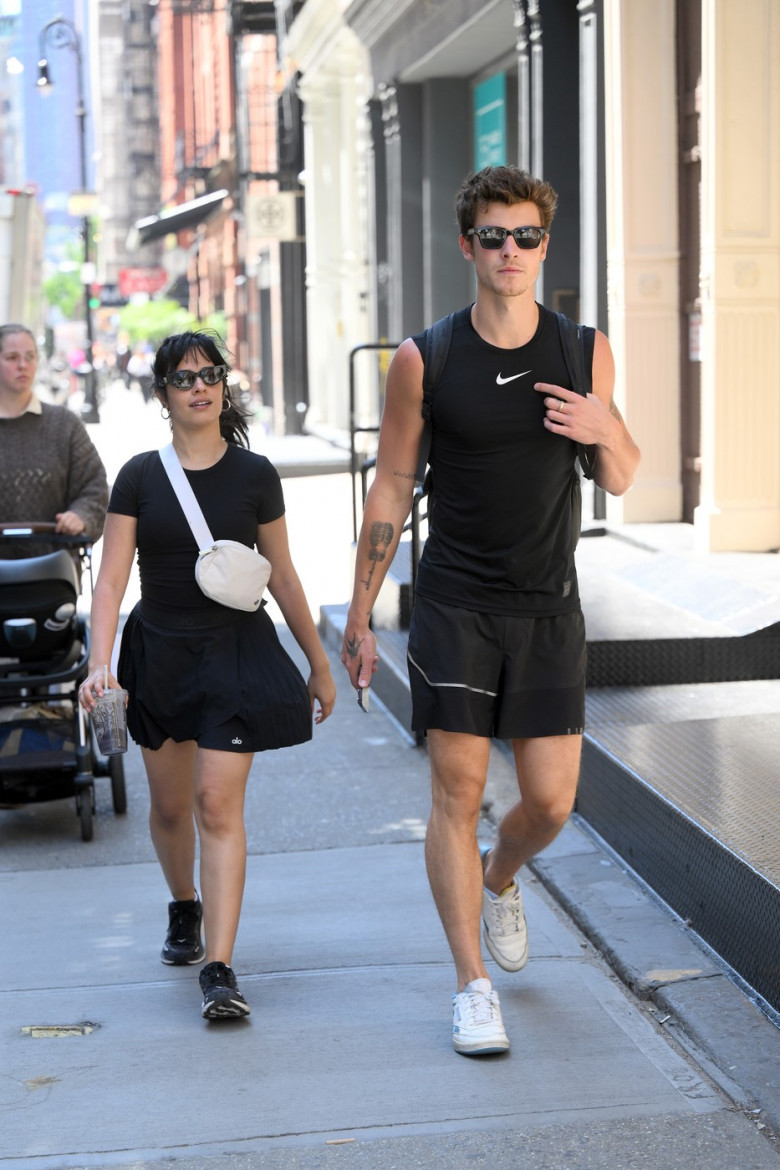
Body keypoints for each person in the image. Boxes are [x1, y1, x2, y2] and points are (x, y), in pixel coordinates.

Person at [341, 166, 640, 1056]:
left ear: (546, 246)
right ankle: (472, 985)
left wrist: (605, 429)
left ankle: (500, 878)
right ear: (468, 245)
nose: (511, 252)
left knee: (550, 803)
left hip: (549, 605)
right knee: (457, 793)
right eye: (495, 237)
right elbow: (395, 480)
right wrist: (360, 613)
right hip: (456, 605)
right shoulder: (424, 356)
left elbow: (622, 475)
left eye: (528, 237)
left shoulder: (583, 351)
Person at [78, 329, 336, 1021]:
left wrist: (317, 661)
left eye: (210, 374)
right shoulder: (138, 475)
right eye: (184, 378)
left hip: (234, 652)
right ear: (163, 394)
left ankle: (219, 969)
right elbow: (109, 584)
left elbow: (281, 574)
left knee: (217, 804)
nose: (199, 386)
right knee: (169, 808)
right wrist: (100, 663)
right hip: (158, 652)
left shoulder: (255, 477)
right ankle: (184, 904)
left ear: (224, 386)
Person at [0, 324, 108, 558]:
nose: (22, 365)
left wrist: (81, 516)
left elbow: (95, 486)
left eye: (30, 357)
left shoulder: (64, 425)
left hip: (52, 574)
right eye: (11, 357)